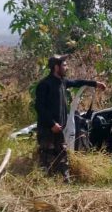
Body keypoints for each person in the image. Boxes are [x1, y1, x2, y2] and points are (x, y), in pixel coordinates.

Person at [35, 54, 106, 182]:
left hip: (59, 129)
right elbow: (40, 108)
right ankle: (44, 184)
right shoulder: (44, 85)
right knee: (46, 159)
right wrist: (52, 124)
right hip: (47, 130)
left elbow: (77, 82)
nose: (67, 67)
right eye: (64, 65)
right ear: (56, 67)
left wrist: (95, 83)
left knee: (63, 155)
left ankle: (66, 180)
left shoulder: (63, 82)